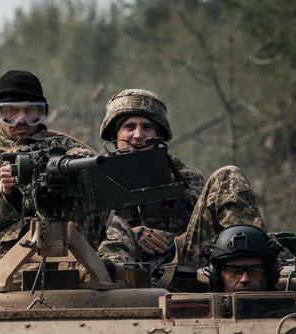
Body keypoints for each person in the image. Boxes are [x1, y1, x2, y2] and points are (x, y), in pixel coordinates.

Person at [96, 89, 286, 273]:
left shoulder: (186, 178)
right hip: (124, 276)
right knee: (114, 225)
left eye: (147, 127)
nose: (138, 135)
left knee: (228, 175)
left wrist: (172, 242)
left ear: (158, 135)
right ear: (115, 136)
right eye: (129, 127)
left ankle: (262, 266)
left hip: (184, 266)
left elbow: (207, 231)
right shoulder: (95, 180)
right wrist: (131, 234)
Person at [0, 70, 107, 267]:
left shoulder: (67, 147)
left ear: (42, 113)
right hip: (12, 259)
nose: (21, 120)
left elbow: (100, 187)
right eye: (11, 112)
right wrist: (4, 192)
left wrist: (73, 173)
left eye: (30, 111)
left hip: (77, 251)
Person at [201, 224, 282, 292]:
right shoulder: (205, 310)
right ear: (217, 275)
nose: (244, 279)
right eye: (233, 271)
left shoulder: (290, 309)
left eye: (254, 271)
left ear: (269, 274)